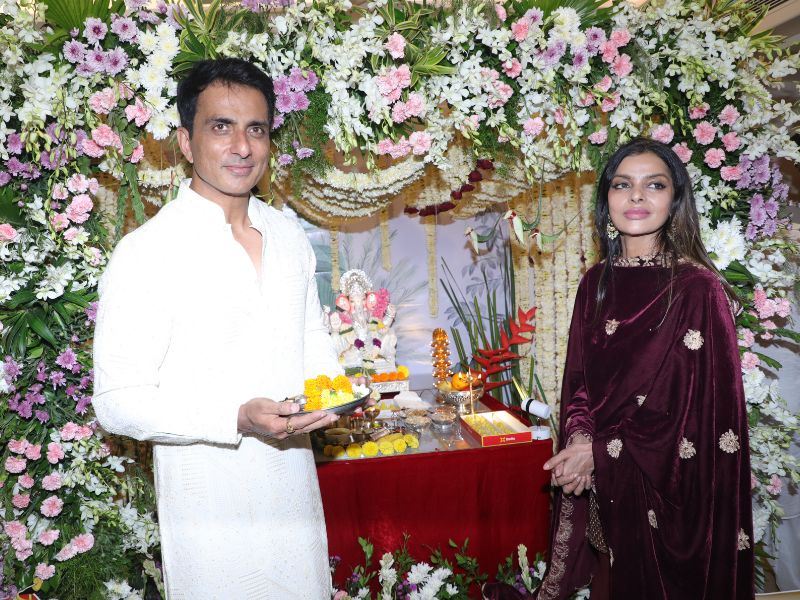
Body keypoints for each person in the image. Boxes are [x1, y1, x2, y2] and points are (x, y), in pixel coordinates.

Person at [93, 58, 341, 599]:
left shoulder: (287, 237)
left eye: (257, 129)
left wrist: (334, 392)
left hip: (294, 497)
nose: (242, 147)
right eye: (221, 127)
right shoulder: (147, 253)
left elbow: (310, 339)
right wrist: (235, 417)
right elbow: (116, 401)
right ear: (186, 141)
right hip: (208, 511)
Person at [487, 138, 755, 599]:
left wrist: (600, 452)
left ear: (675, 200)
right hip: (607, 488)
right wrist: (580, 442)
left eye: (655, 185)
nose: (636, 196)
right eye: (622, 184)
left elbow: (698, 412)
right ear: (606, 199)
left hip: (670, 490)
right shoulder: (595, 282)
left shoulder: (698, 289)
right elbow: (579, 382)